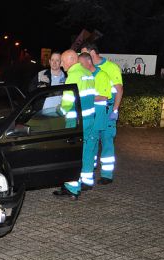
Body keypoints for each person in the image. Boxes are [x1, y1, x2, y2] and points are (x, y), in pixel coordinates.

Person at [53, 50, 96, 200]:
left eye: (63, 61)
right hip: (89, 119)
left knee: (72, 153)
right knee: (86, 151)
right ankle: (85, 181)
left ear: (71, 60)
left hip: (75, 121)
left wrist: (59, 110)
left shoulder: (73, 75)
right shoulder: (88, 73)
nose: (62, 64)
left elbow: (67, 101)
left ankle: (72, 187)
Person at [81, 43, 123, 184]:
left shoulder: (111, 68)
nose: (81, 57)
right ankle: (89, 170)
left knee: (106, 141)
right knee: (92, 141)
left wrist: (115, 110)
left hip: (107, 109)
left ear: (92, 53)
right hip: (93, 110)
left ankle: (106, 174)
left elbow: (119, 90)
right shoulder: (86, 68)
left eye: (84, 53)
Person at [78, 52, 112, 190]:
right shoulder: (86, 75)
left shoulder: (102, 75)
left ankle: (88, 180)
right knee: (88, 148)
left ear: (88, 62)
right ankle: (87, 174)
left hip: (98, 116)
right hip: (89, 115)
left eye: (80, 64)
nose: (79, 66)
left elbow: (104, 96)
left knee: (91, 147)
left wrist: (84, 99)